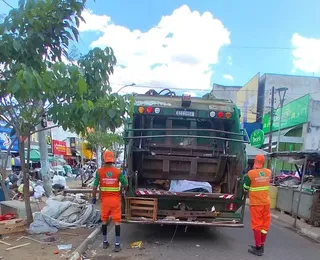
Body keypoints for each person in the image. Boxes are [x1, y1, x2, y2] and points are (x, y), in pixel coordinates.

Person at [92, 151, 128, 252]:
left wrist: (94, 198)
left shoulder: (99, 172)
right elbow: (125, 184)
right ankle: (117, 244)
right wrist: (122, 190)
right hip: (115, 201)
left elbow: (94, 187)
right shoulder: (117, 172)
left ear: (104, 159)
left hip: (105, 201)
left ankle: (104, 242)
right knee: (117, 222)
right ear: (113, 160)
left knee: (104, 220)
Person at [243, 154, 272, 256]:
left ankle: (258, 248)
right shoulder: (268, 172)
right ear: (263, 162)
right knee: (264, 225)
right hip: (266, 203)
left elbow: (245, 187)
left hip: (256, 204)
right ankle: (261, 245)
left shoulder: (251, 174)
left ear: (255, 162)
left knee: (256, 225)